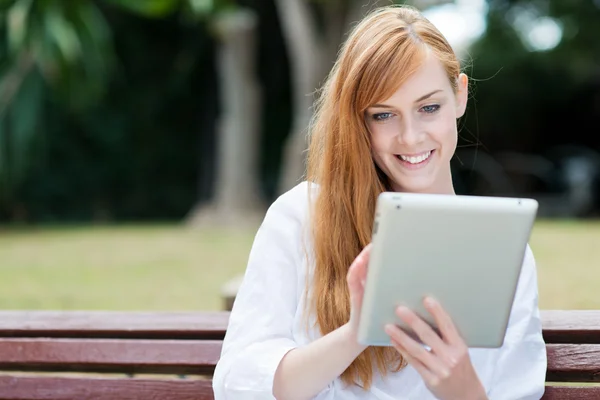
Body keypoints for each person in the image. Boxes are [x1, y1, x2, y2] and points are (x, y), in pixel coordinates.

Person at [212, 4, 547, 400]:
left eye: (428, 108)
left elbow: (517, 389)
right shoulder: (302, 218)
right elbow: (238, 385)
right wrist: (359, 330)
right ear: (358, 120)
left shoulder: (503, 253)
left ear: (459, 95)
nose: (410, 136)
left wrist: (463, 391)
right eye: (384, 115)